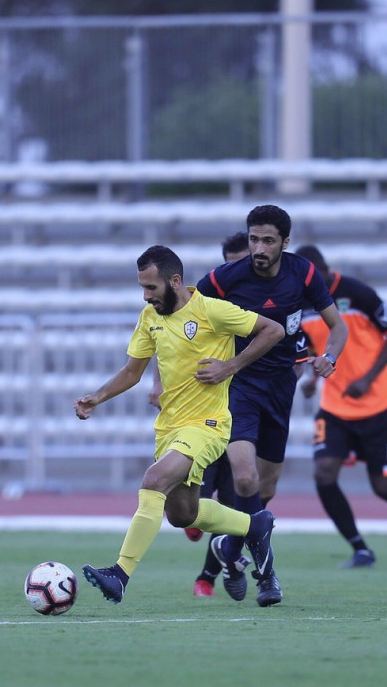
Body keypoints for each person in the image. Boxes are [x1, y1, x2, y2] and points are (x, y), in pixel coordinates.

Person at [75, 245, 285, 605]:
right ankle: (255, 525)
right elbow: (131, 371)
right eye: (142, 287)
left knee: (154, 480)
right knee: (181, 514)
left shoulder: (211, 311)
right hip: (170, 428)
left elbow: (273, 330)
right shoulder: (150, 317)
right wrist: (98, 396)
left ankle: (120, 574)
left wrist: (230, 366)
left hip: (208, 425)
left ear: (175, 280)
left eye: (151, 287)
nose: (146, 295)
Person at [197, 205, 349, 607]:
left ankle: (229, 549)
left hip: (281, 389)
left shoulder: (304, 273)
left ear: (285, 241)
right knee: (244, 479)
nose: (259, 248)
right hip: (238, 387)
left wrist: (329, 358)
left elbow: (338, 326)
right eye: (253, 239)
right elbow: (187, 315)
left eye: (267, 240)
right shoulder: (224, 278)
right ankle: (267, 576)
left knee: (265, 489)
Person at [295, 244, 387, 567]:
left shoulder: (358, 294)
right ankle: (360, 548)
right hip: (335, 406)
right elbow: (313, 348)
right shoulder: (302, 305)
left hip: (377, 404)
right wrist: (311, 379)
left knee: (383, 486)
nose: (309, 285)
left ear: (324, 269)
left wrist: (368, 378)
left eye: (313, 277)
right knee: (323, 473)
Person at [150, 231, 248, 598]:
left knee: (247, 483)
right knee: (227, 480)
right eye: (233, 261)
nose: (243, 265)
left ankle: (214, 568)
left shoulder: (274, 286)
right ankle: (221, 555)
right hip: (206, 395)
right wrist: (159, 383)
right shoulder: (208, 291)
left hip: (249, 393)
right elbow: (171, 341)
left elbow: (277, 333)